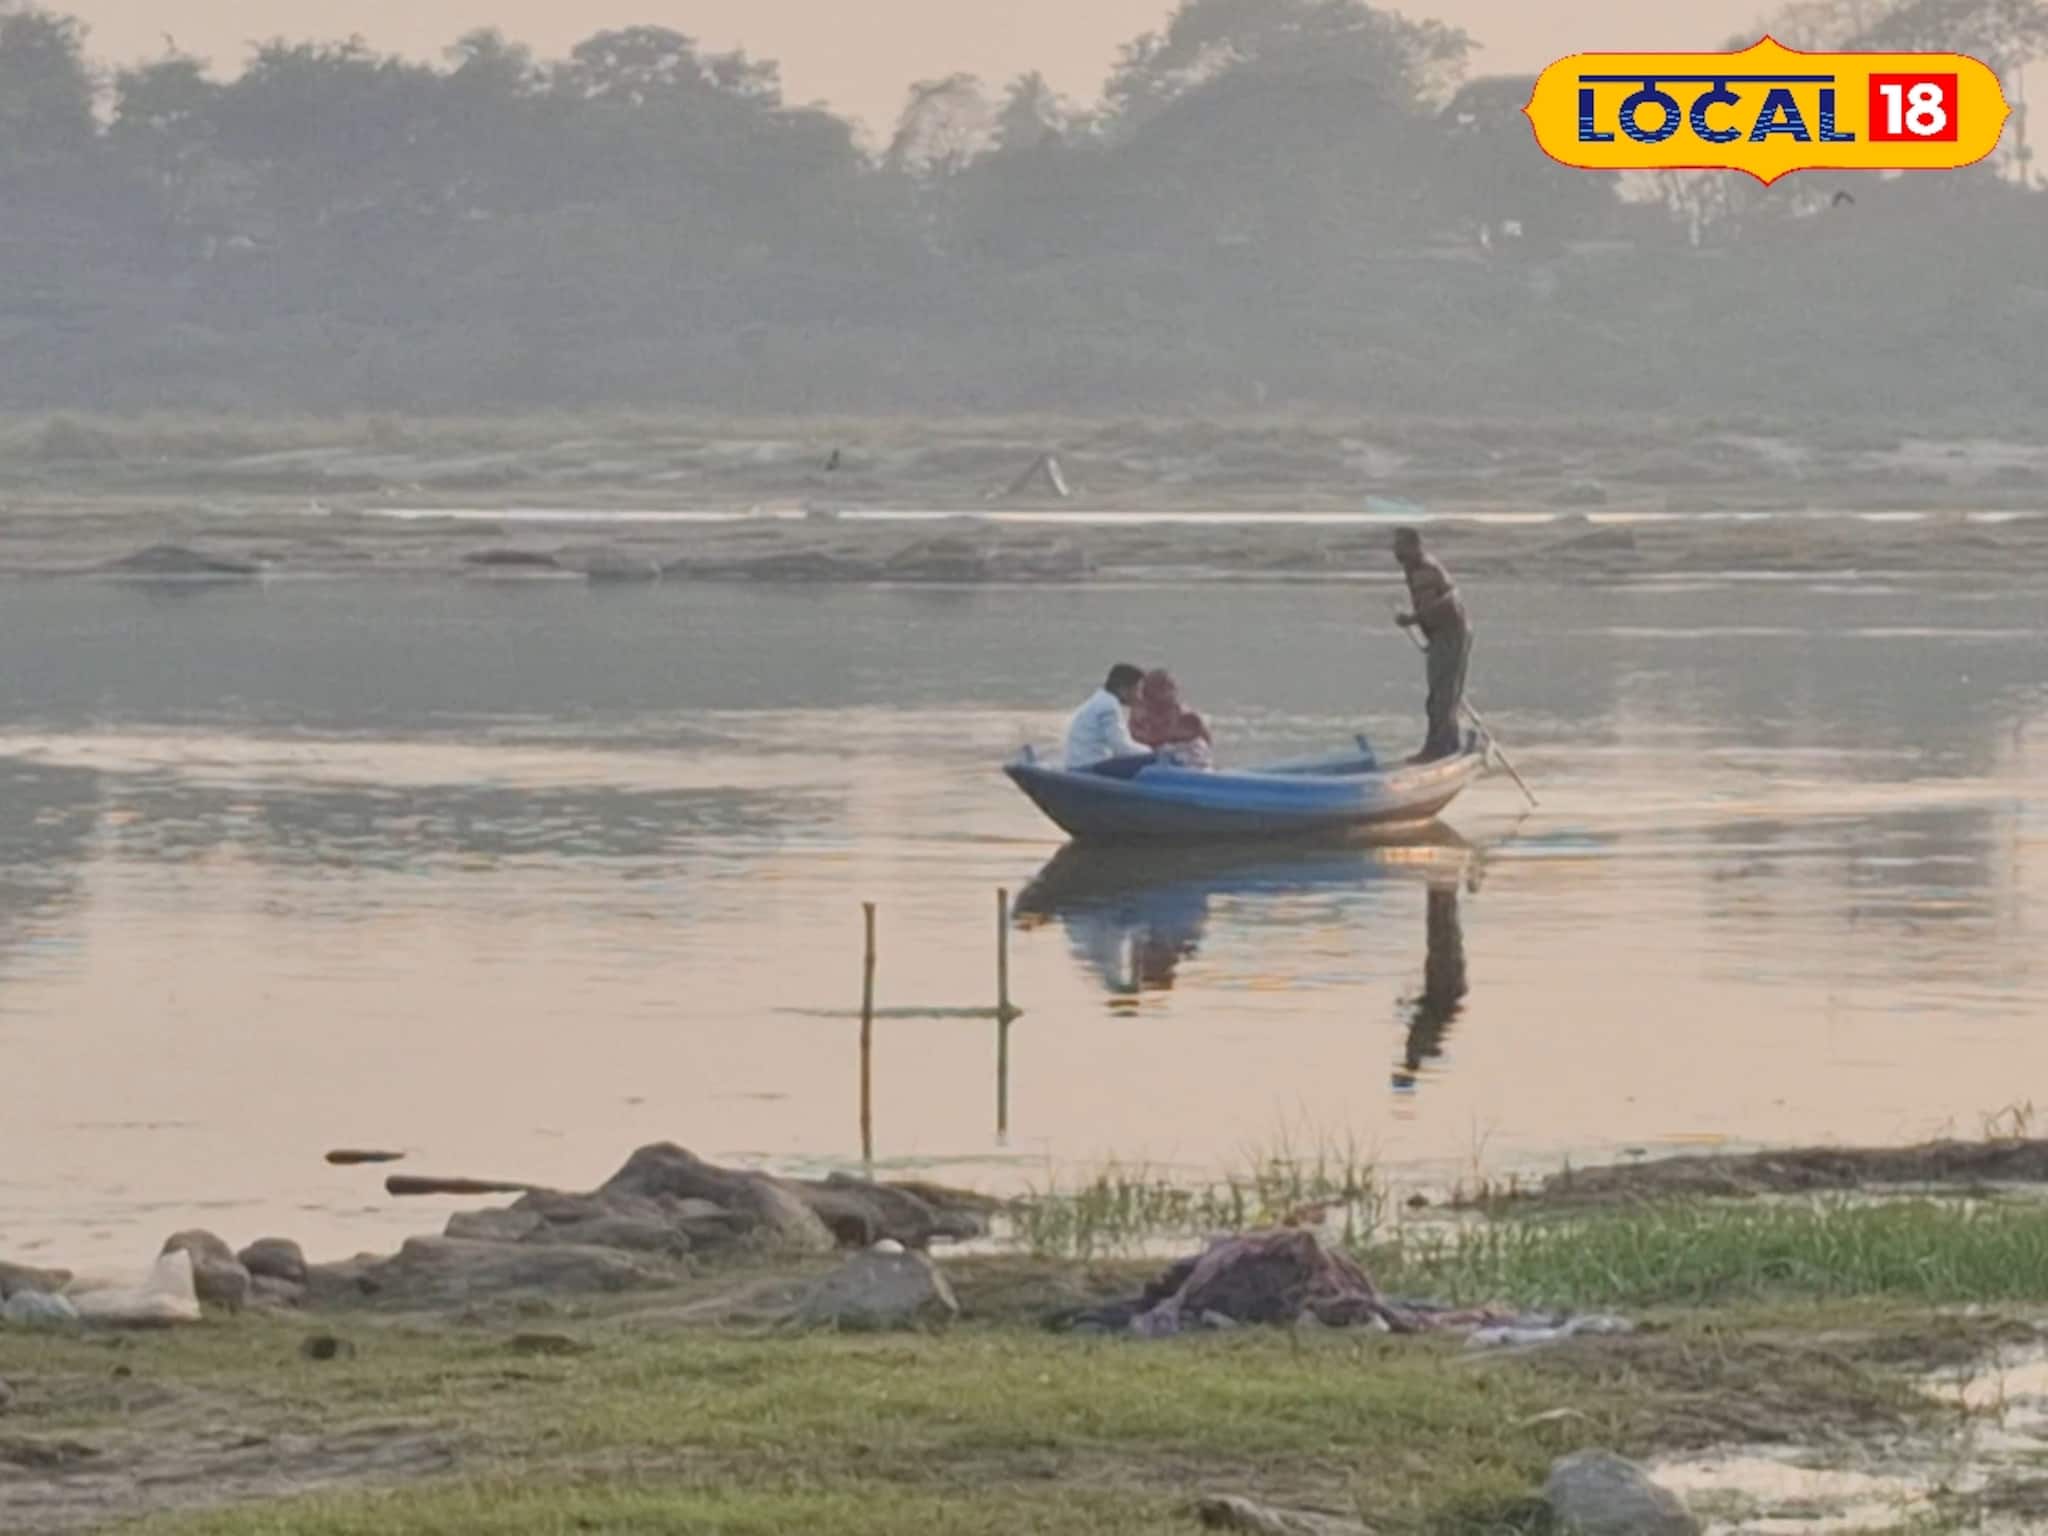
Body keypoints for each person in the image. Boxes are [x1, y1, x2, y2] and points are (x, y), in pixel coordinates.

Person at [1392, 526, 1471, 761]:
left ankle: (1438, 749)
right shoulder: (1414, 569)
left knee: (1441, 698)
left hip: (1450, 635)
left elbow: (1443, 605)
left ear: (1413, 546)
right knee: (1443, 694)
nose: (1395, 551)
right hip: (1443, 636)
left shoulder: (1423, 571)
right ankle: (1449, 743)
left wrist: (1412, 619)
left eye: (1399, 546)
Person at [1064, 663, 1156, 775]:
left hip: (1083, 763)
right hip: (1088, 767)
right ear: (1122, 689)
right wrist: (1152, 753)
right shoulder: (1108, 707)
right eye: (1137, 689)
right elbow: (1122, 748)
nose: (1139, 696)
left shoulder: (1102, 700)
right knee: (1154, 760)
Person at [1127, 668, 1214, 769]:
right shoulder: (1139, 714)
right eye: (1162, 689)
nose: (1169, 693)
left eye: (1170, 688)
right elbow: (1135, 741)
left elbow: (1207, 745)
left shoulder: (1190, 718)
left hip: (1185, 759)